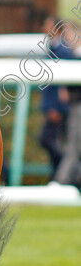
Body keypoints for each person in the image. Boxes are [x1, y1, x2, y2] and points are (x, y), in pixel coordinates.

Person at [38, 17, 74, 178]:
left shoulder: (64, 51)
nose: (44, 27)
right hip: (51, 105)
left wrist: (57, 107)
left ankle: (66, 172)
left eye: (47, 24)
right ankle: (58, 173)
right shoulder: (52, 48)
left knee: (48, 140)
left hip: (58, 107)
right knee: (49, 141)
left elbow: (65, 84)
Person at [54, 23, 81, 188]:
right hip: (75, 106)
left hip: (78, 106)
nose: (67, 39)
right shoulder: (73, 56)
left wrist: (69, 93)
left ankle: (62, 181)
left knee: (73, 145)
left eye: (70, 34)